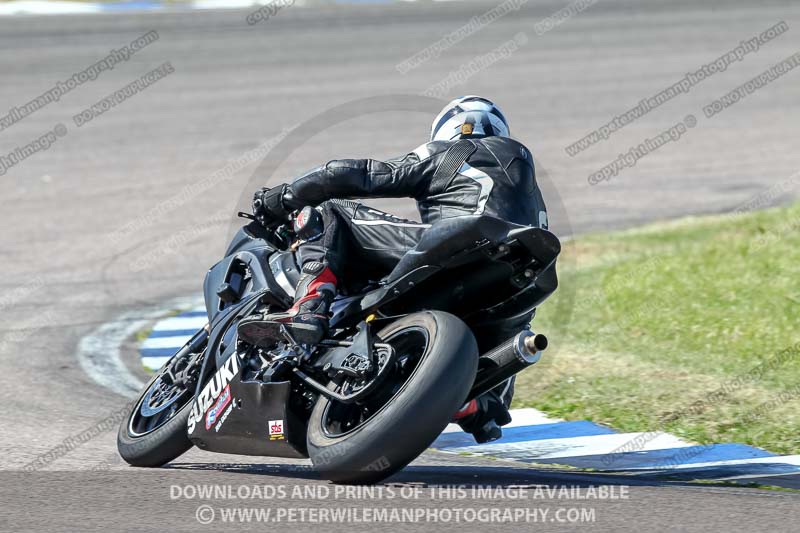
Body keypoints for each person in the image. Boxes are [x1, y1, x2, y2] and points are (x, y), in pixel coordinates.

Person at [238, 95, 555, 442]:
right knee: (499, 375)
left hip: (460, 248)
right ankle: (473, 401)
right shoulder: (532, 199)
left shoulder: (456, 151)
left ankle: (310, 306)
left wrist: (286, 195)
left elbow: (360, 174)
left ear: (449, 129)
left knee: (330, 211)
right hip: (518, 291)